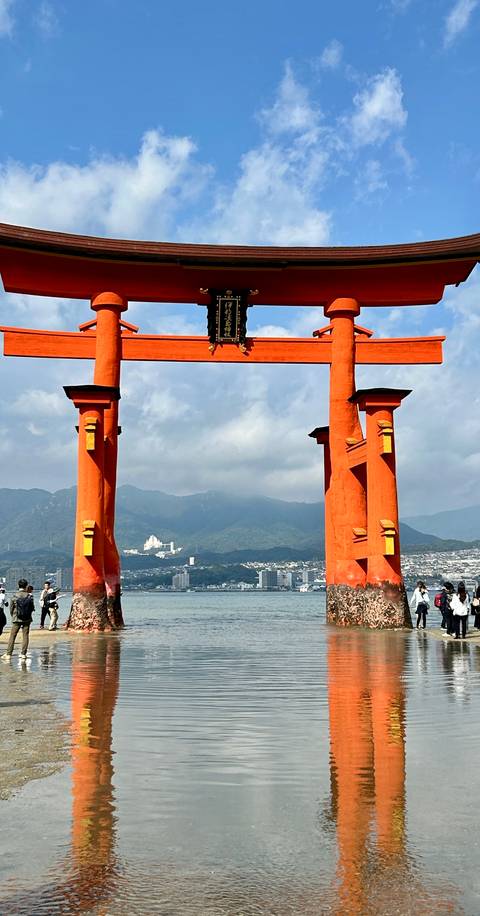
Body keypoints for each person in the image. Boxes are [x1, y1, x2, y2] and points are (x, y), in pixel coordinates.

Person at [1, 578, 34, 660]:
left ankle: (8, 654)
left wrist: (13, 616)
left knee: (13, 636)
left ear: (18, 585)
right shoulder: (29, 596)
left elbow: (11, 608)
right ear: (26, 586)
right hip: (27, 619)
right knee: (25, 635)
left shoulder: (14, 596)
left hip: (16, 618)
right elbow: (32, 608)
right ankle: (23, 654)